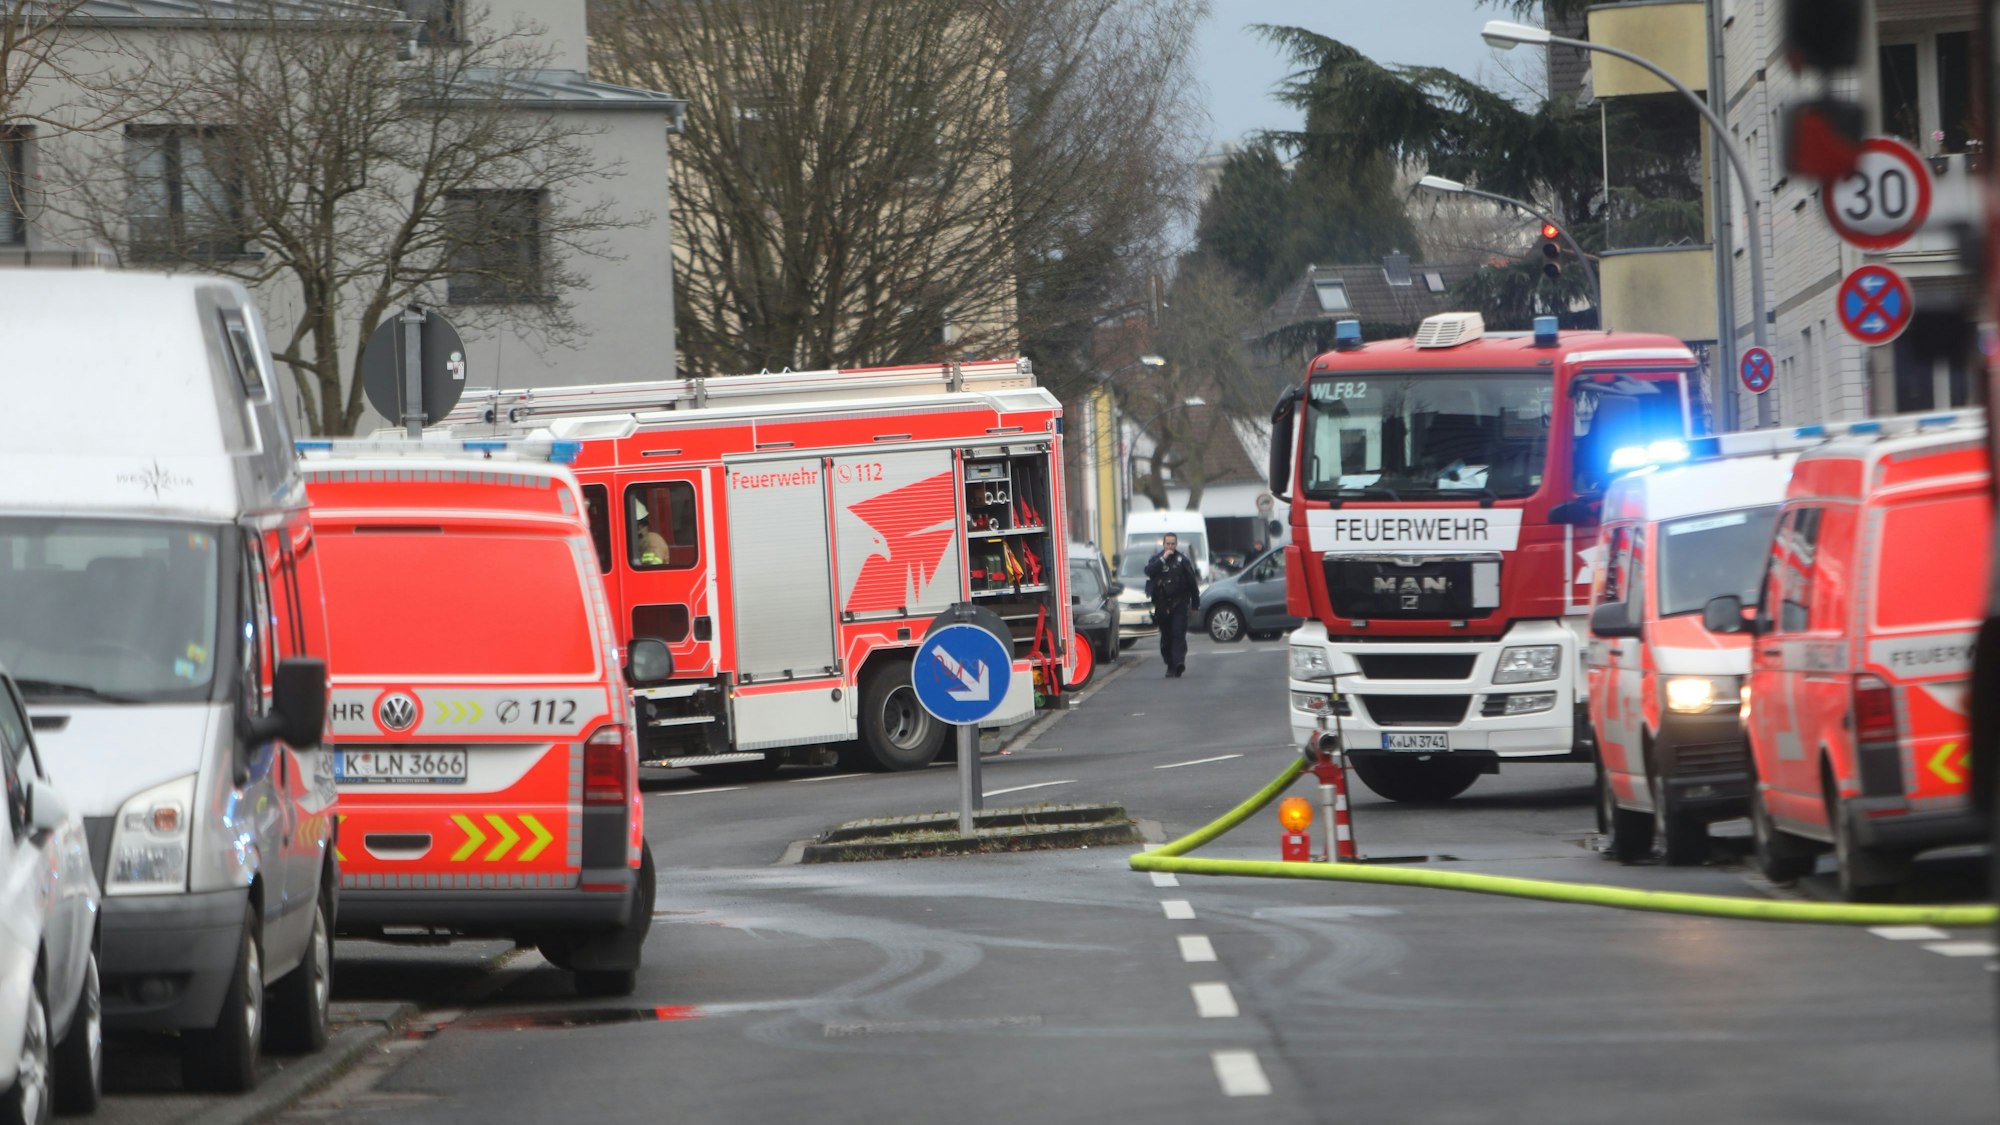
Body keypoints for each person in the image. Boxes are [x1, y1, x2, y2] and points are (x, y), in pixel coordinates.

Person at [1144, 533, 1199, 677]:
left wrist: (1195, 604)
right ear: (1163, 544)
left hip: (1179, 603)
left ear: (1176, 544)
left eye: (1173, 544)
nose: (1170, 546)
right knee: (1167, 636)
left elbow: (1192, 583)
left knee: (1178, 633)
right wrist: (1163, 559)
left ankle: (1179, 662)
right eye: (1168, 544)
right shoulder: (1157, 559)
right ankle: (1170, 664)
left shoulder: (1182, 561)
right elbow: (1148, 571)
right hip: (1162, 605)